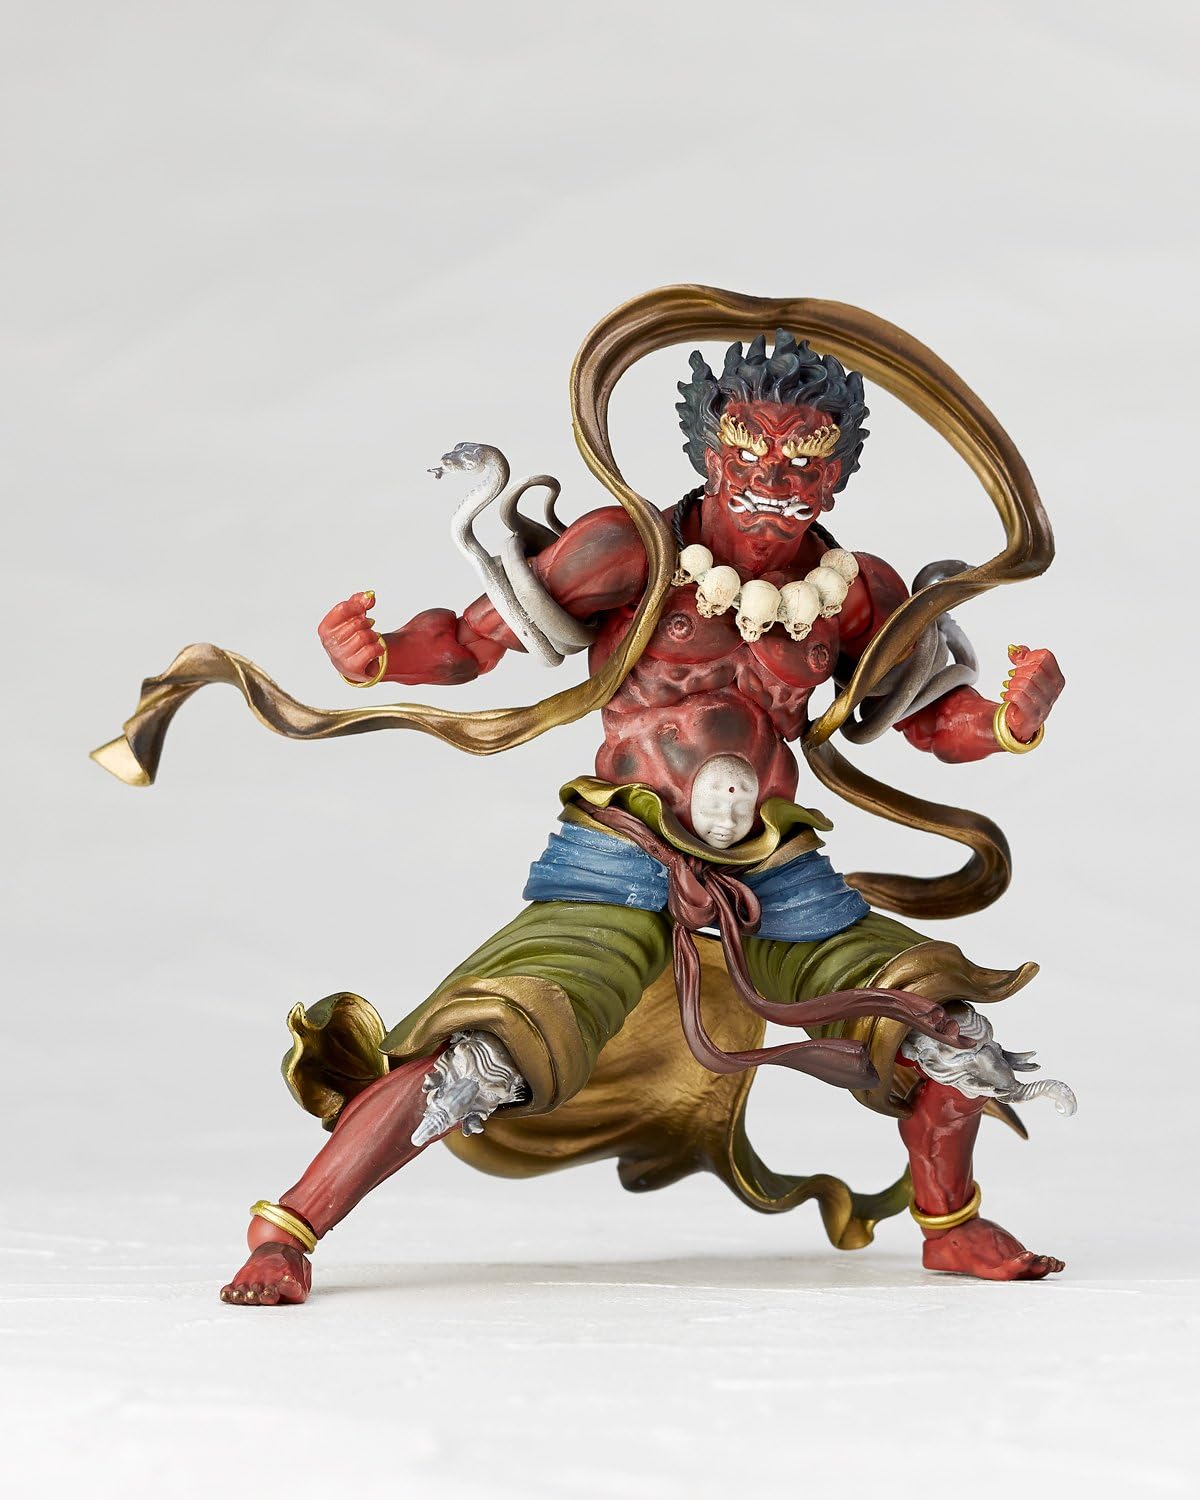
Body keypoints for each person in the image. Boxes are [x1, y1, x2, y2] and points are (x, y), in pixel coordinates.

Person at [215, 331, 1073, 1306]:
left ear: (839, 472)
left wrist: (1008, 721)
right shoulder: (630, 551)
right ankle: (286, 1232)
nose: (772, 480)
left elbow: (928, 718)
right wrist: (377, 657)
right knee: (483, 1046)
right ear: (707, 452)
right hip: (623, 856)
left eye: (804, 460)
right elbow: (465, 641)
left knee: (943, 1024)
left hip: (775, 872)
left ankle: (951, 1226)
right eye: (747, 450)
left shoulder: (856, 592)